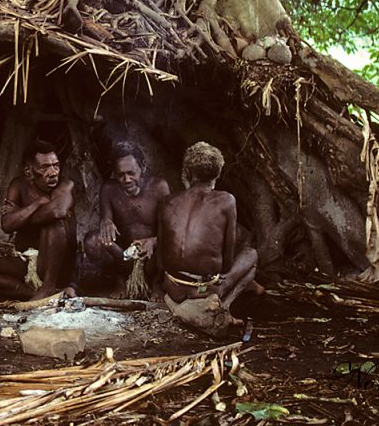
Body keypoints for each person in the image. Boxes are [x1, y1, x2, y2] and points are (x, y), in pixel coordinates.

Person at [157, 142, 257, 333]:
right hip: (201, 290)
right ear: (218, 173)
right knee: (251, 255)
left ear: (186, 172)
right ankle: (222, 309)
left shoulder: (167, 201)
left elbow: (162, 254)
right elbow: (226, 265)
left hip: (172, 287)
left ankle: (197, 307)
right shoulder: (226, 201)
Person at [0, 141, 77, 301]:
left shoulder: (65, 185)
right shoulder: (18, 185)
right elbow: (6, 225)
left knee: (55, 222)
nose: (53, 172)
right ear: (28, 171)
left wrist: (20, 217)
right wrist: (36, 204)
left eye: (56, 165)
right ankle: (40, 295)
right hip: (25, 260)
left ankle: (48, 287)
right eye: (45, 167)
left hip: (58, 268)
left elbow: (58, 211)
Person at [82, 140, 170, 297]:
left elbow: (169, 228)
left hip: (152, 258)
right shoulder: (108, 189)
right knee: (93, 241)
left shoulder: (159, 187)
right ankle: (120, 281)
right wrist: (105, 222)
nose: (127, 179)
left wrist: (154, 241)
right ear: (114, 173)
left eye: (131, 173)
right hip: (123, 257)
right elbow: (106, 220)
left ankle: (157, 283)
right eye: (120, 175)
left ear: (142, 167)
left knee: (169, 242)